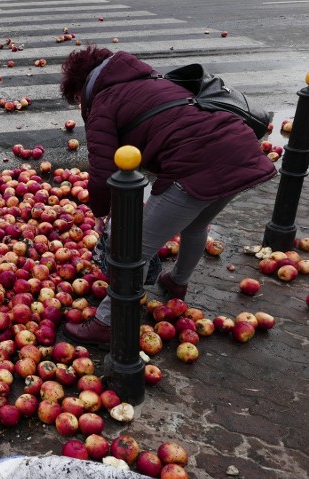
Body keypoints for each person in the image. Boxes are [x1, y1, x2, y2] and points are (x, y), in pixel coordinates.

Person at [58, 45, 277, 345]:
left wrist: (100, 213)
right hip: (240, 153)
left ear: (81, 88)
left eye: (76, 99)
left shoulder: (103, 103)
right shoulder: (153, 81)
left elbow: (101, 173)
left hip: (195, 167)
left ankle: (108, 324)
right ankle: (177, 284)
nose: (79, 105)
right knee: (196, 225)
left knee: (133, 248)